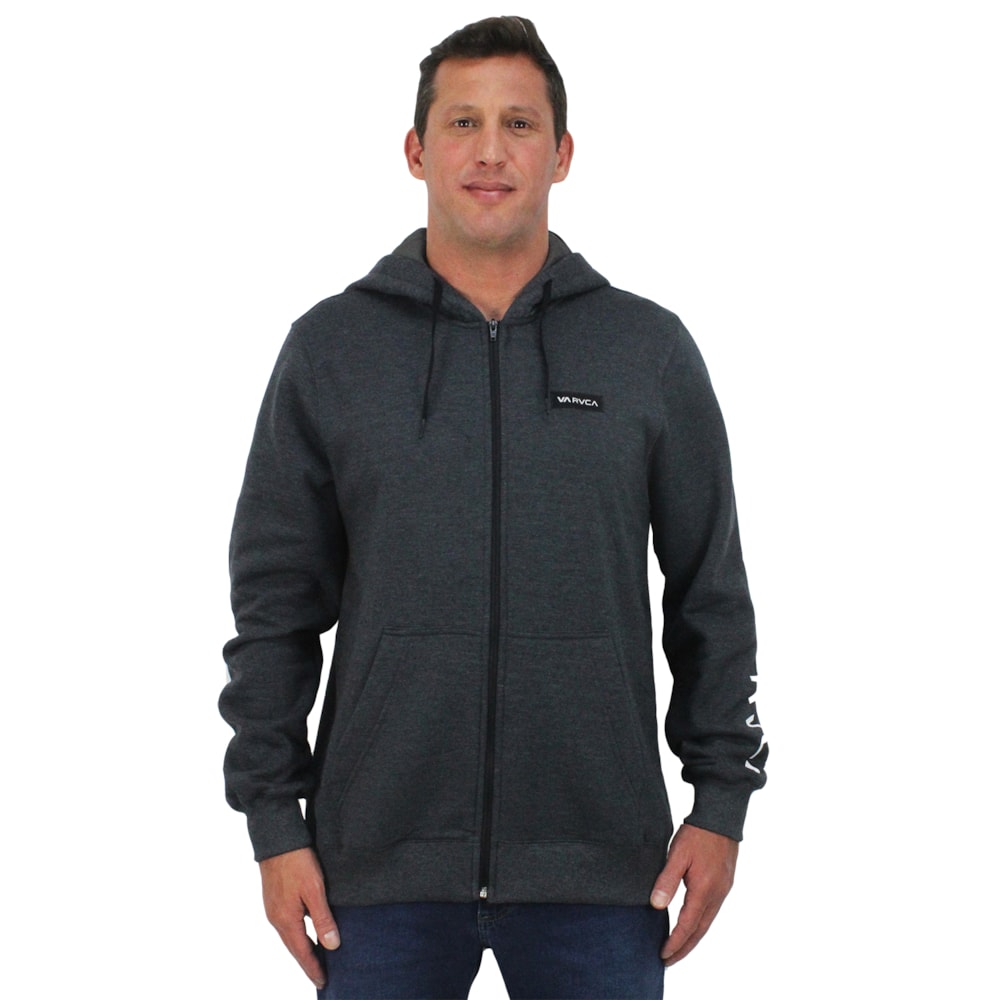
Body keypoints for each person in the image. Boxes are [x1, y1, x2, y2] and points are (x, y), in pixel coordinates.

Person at [220, 15, 766, 999]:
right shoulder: (332, 350)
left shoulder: (646, 352)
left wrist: (720, 803)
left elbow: (711, 596)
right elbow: (273, 608)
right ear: (415, 150)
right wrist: (273, 823)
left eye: (519, 124)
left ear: (562, 154)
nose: (489, 150)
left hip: (603, 871)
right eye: (462, 122)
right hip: (373, 872)